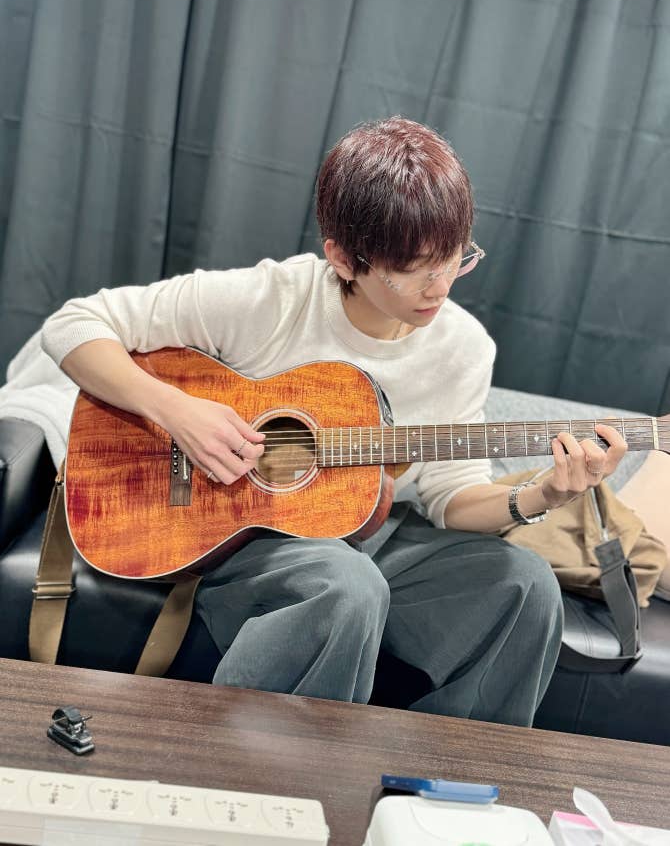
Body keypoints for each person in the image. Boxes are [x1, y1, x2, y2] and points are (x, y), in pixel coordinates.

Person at [40, 116, 630, 727]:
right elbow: (73, 325)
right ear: (344, 259)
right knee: (347, 584)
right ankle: (253, 771)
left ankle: (446, 773)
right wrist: (177, 411)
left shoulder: (464, 347)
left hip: (376, 534)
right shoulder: (271, 299)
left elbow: (451, 496)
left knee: (526, 583)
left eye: (455, 259)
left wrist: (544, 494)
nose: (439, 288)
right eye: (413, 269)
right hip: (249, 537)